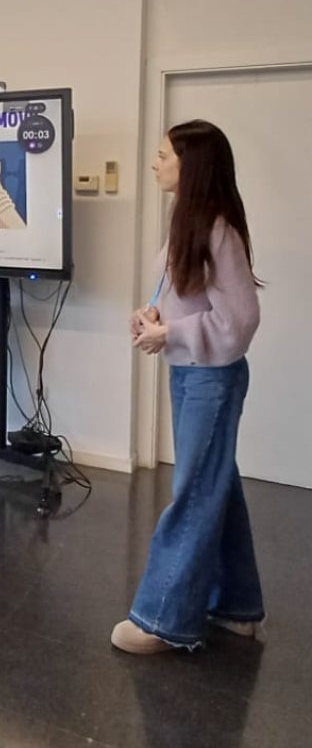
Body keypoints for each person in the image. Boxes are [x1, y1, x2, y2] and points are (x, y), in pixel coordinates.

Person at [112, 120, 264, 654]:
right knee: (215, 483)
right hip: (192, 372)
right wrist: (152, 316)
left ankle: (163, 621)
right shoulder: (188, 219)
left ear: (190, 165)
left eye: (163, 155)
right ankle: (237, 608)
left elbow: (241, 320)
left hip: (212, 379)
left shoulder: (218, 230)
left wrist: (171, 333)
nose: (154, 163)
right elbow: (184, 295)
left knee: (196, 491)